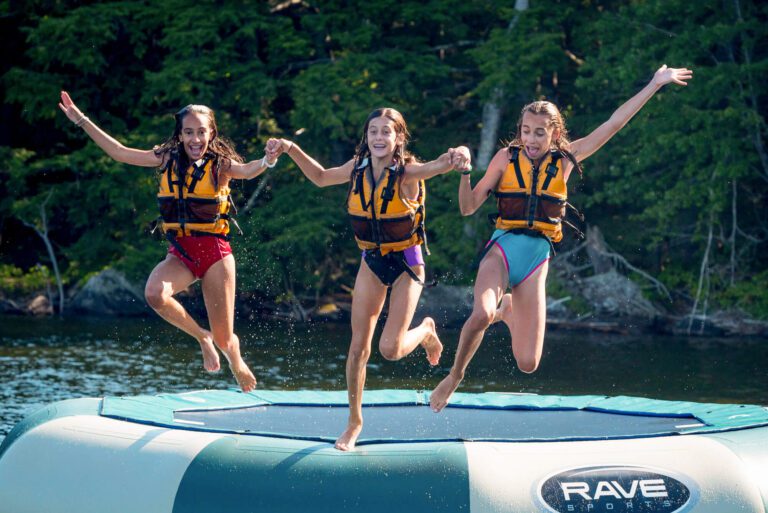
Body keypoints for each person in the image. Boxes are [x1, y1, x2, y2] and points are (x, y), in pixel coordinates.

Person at [430, 65, 693, 412]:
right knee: (479, 314)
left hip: (537, 259)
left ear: (554, 135)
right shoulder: (505, 159)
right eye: (526, 131)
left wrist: (654, 84)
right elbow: (467, 208)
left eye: (539, 133)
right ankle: (455, 377)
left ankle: (506, 309)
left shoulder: (566, 159)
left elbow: (613, 124)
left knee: (528, 363)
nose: (531, 139)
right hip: (502, 250)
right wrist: (464, 174)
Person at [265, 107, 471, 450]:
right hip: (372, 260)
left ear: (398, 138)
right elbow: (318, 176)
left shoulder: (407, 172)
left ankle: (425, 331)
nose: (378, 137)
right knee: (358, 347)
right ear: (367, 137)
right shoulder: (356, 169)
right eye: (373, 131)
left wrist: (459, 154)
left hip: (407, 262)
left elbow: (440, 164)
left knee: (389, 350)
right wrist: (290, 148)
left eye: (385, 132)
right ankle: (354, 421)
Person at [58, 91, 275, 392]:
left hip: (216, 254)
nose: (195, 139)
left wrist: (268, 159)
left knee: (226, 338)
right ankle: (202, 337)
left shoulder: (220, 165)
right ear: (180, 134)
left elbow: (249, 170)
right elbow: (120, 152)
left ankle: (235, 359)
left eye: (201, 132)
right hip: (182, 253)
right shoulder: (166, 158)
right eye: (189, 132)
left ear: (211, 133)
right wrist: (80, 120)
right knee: (155, 294)